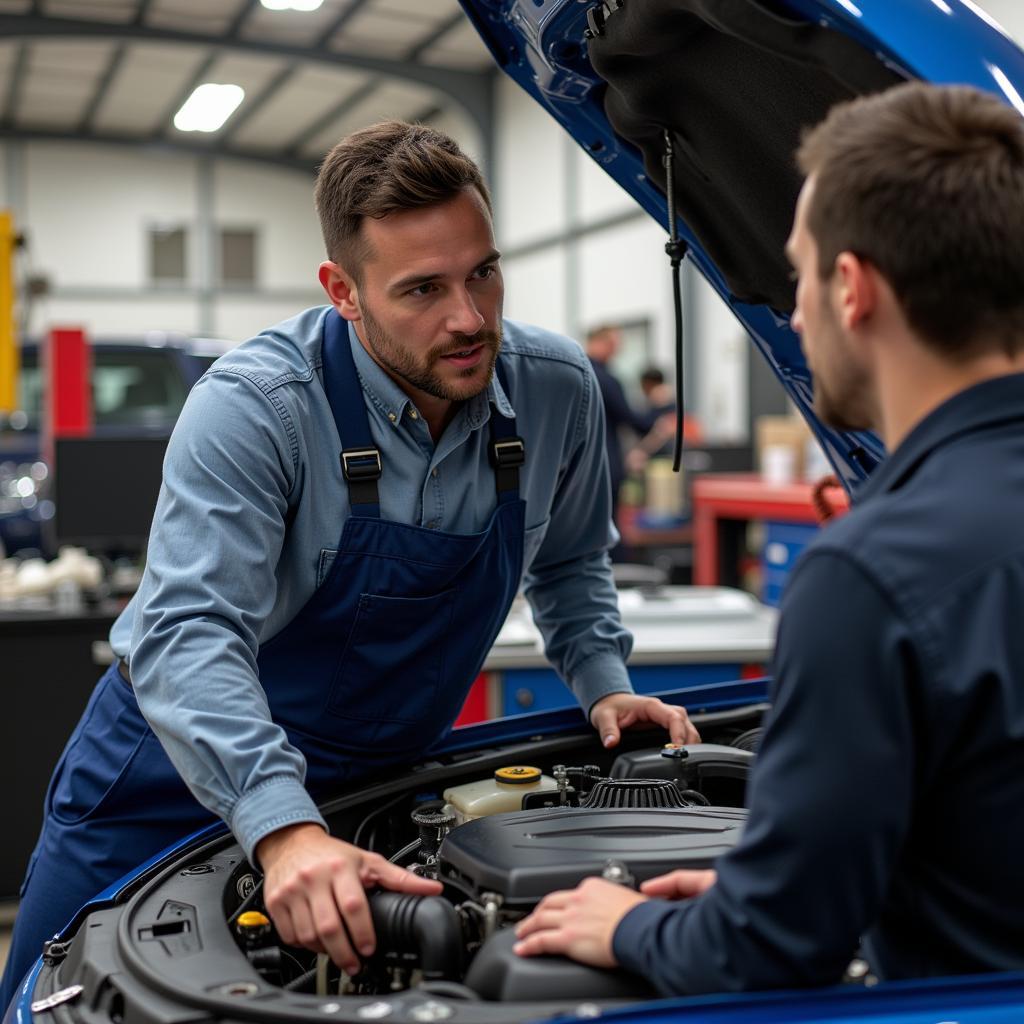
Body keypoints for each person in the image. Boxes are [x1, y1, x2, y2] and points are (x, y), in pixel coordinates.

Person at [0, 122, 699, 1008]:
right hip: (164, 785)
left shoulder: (556, 388)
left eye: (482, 271)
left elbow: (568, 565)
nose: (470, 319)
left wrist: (603, 683)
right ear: (344, 291)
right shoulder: (258, 409)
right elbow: (189, 631)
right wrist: (281, 825)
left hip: (378, 790)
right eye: (423, 289)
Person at [513, 82, 1024, 992]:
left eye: (798, 276)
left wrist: (632, 926)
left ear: (853, 290)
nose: (790, 316)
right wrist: (780, 881)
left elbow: (770, 953)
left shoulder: (872, 578)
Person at [585, 325, 655, 557]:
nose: (616, 351)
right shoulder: (606, 379)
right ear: (600, 342)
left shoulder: (573, 372)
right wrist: (662, 410)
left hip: (579, 464)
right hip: (606, 462)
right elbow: (632, 419)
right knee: (609, 525)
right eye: (614, 345)